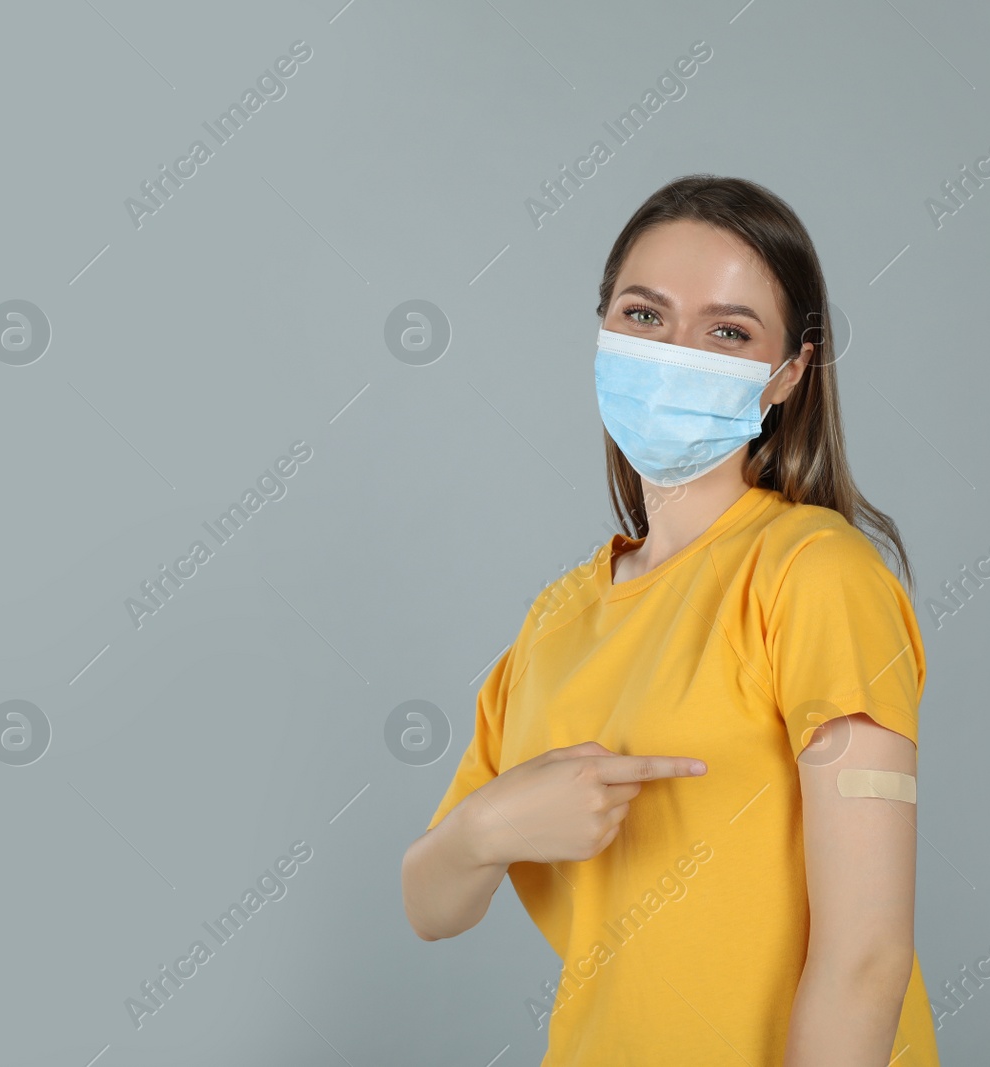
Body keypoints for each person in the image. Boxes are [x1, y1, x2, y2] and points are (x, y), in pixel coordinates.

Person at [402, 174, 939, 1066]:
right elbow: (430, 904)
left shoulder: (815, 574)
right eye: (645, 315)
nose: (674, 351)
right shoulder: (558, 619)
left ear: (789, 373)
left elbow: (867, 958)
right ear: (603, 330)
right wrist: (493, 827)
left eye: (727, 331)